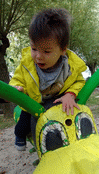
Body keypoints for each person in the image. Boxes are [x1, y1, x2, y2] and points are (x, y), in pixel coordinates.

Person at [9, 8, 87, 151]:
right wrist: (16, 88)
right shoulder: (27, 64)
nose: (38, 56)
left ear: (63, 49)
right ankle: (36, 147)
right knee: (27, 124)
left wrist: (70, 94)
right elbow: (17, 79)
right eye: (34, 48)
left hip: (57, 99)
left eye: (46, 51)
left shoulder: (70, 66)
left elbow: (80, 82)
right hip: (33, 102)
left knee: (69, 116)